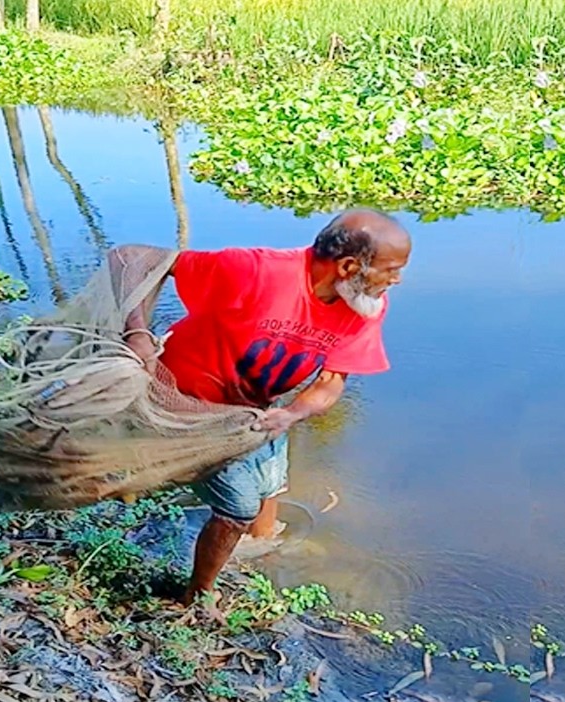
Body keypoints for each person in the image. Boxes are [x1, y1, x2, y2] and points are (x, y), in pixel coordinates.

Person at [110, 208, 411, 605]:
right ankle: (197, 598)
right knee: (237, 507)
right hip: (185, 400)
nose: (397, 280)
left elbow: (330, 382)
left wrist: (292, 413)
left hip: (257, 407)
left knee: (271, 484)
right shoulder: (257, 270)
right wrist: (136, 332)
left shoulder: (362, 305)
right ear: (348, 267)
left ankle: (262, 552)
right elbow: (132, 257)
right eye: (391, 270)